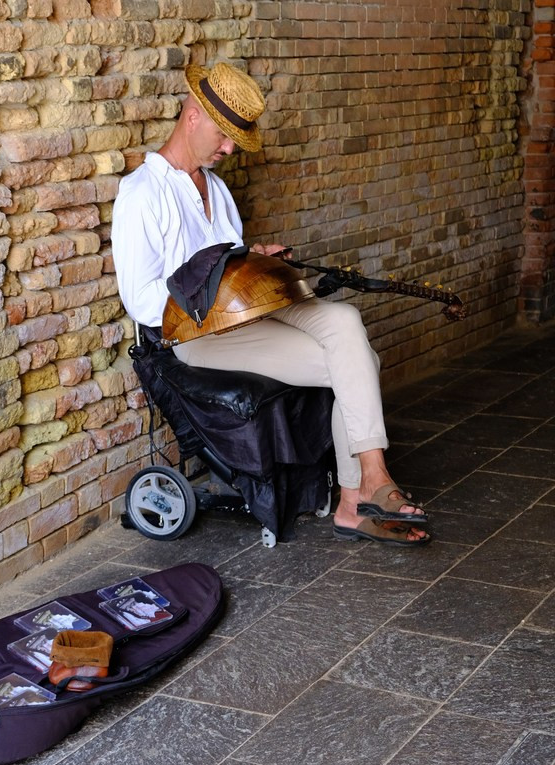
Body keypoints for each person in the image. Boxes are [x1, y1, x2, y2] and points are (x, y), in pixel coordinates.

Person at [111, 62, 429, 546]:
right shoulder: (141, 194)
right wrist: (218, 279)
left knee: (344, 318)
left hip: (249, 312)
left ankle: (366, 485)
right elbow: (142, 302)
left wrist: (251, 261)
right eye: (224, 135)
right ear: (193, 115)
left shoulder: (215, 188)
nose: (230, 148)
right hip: (200, 335)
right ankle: (360, 493)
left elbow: (225, 261)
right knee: (359, 360)